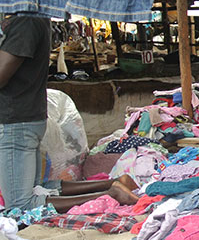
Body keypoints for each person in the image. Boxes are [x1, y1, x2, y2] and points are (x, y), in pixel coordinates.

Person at [0, 14, 138, 213]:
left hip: (16, 121)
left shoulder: (25, 21)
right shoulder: (34, 19)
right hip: (25, 117)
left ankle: (109, 195)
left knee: (20, 204)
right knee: (37, 189)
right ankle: (112, 185)